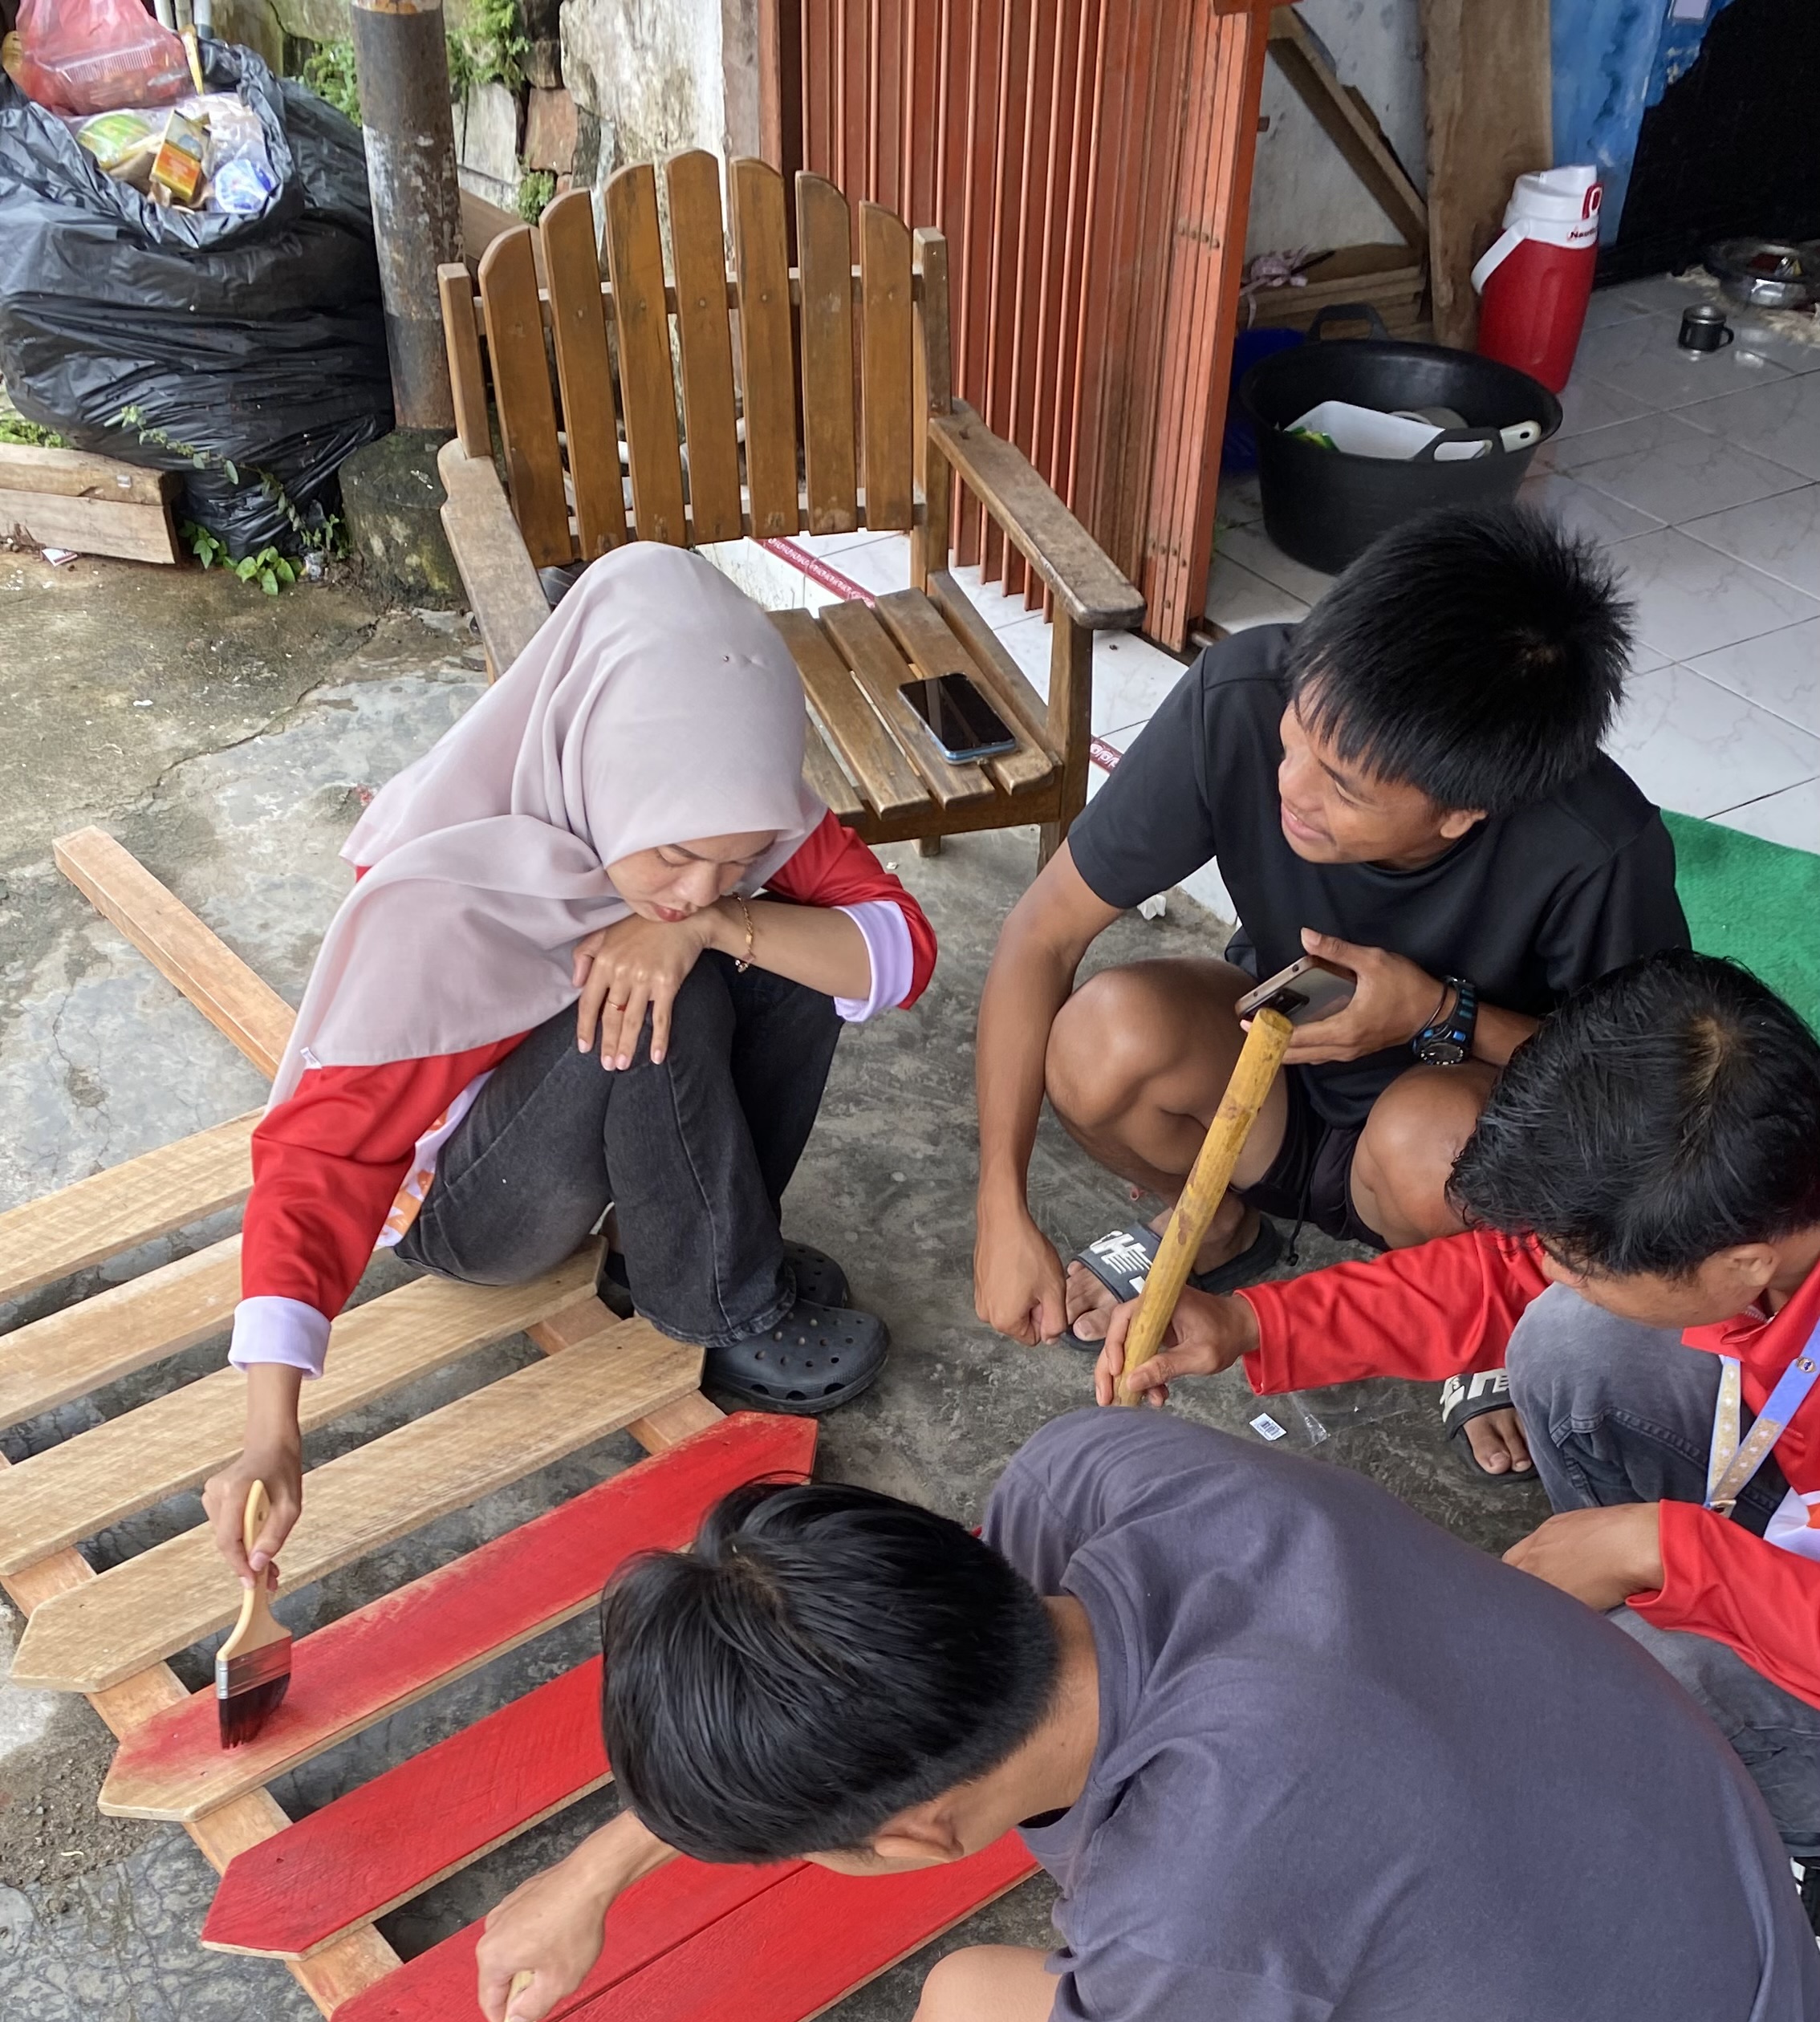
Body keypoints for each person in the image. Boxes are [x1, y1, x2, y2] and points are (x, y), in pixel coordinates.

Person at [472, 1415, 1818, 2022]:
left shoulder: (1198, 1890)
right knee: (1109, 2011)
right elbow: (873, 1684)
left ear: (912, 1838)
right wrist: (593, 1875)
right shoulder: (1103, 1476)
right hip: (1715, 1922)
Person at [203, 546, 935, 1582]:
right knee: (654, 996)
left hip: (584, 1124)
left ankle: (687, 1249)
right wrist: (270, 1424)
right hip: (475, 1207)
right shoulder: (448, 900)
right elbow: (320, 1157)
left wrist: (719, 919)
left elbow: (902, 948)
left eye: (732, 858)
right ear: (604, 764)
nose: (697, 881)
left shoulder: (729, 812)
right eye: (675, 855)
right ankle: (714, 1305)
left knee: (770, 958)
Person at [972, 509, 1685, 1472]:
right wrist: (1000, 1205)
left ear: (1462, 811)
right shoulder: (1242, 693)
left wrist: (1443, 1015)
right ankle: (1219, 1218)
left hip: (1450, 1155)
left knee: (1431, 1139)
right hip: (1275, 1092)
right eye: (1296, 733)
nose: (1290, 785)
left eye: (1344, 786)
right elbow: (1039, 935)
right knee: (1103, 1040)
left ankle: (1470, 1324)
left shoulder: (1597, 848)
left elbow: (1649, 1107)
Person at [1093, 952, 1820, 1886]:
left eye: (1584, 1258)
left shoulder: (1734, 1230)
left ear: (1746, 1265)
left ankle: (1790, 1835)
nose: (1550, 1269)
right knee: (1567, 1337)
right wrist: (1250, 1320)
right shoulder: (1759, 1194)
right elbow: (1501, 1276)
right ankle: (1627, 1631)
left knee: (1641, 1683)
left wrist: (1669, 1551)